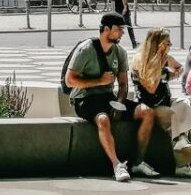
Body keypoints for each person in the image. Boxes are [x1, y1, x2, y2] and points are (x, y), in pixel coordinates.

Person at [65, 12, 157, 182]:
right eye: (119, 29)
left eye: (123, 29)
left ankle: (137, 162)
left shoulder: (120, 52)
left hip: (108, 97)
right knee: (103, 120)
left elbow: (123, 84)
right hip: (84, 98)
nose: (123, 33)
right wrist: (99, 81)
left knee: (148, 112)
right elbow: (70, 81)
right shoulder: (86, 49)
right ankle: (117, 165)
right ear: (106, 29)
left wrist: (120, 102)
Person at [130, 28, 191, 177]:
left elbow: (179, 68)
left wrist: (173, 75)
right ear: (157, 44)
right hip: (151, 105)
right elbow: (151, 88)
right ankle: (182, 163)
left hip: (166, 101)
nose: (169, 46)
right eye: (167, 43)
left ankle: (181, 142)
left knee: (185, 103)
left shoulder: (165, 58)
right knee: (176, 117)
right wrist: (159, 61)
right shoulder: (140, 60)